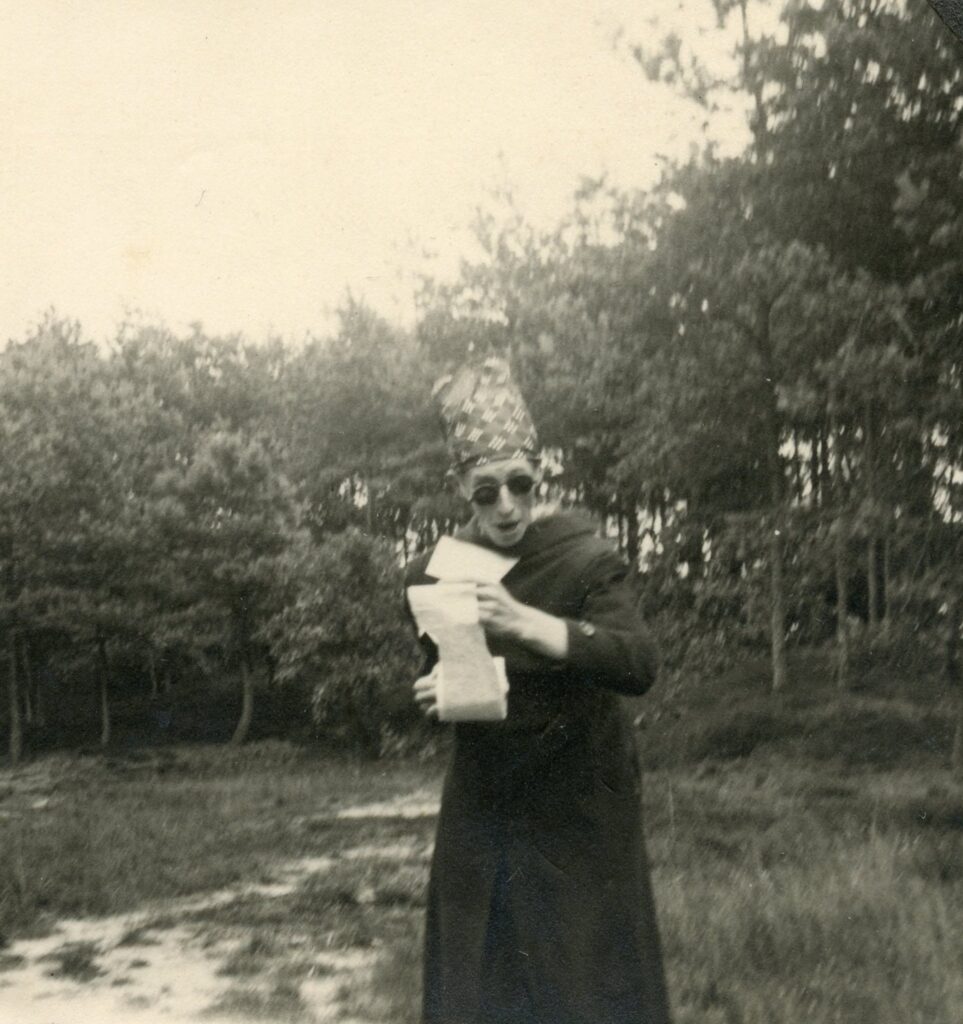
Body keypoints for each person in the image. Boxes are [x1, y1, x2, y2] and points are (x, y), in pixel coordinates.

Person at [406, 357, 671, 1024]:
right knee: (484, 981)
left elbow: (636, 662)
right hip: (486, 804)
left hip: (578, 805)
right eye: (485, 491)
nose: (505, 506)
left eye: (520, 484)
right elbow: (443, 667)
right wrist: (440, 690)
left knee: (581, 986)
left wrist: (523, 621)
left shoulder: (585, 557)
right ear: (459, 488)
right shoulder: (437, 570)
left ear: (540, 475)